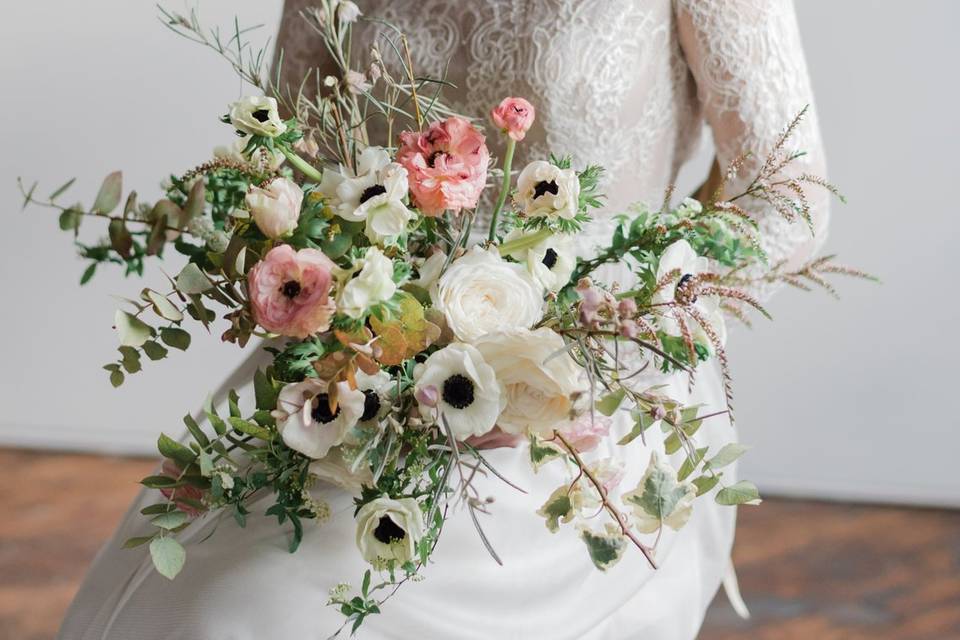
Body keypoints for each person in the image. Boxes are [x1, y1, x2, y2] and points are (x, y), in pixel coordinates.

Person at [58, 1, 828, 638]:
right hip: (367, 363)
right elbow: (284, 160)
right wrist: (340, 297)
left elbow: (792, 198)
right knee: (214, 609)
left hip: (590, 384)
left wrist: (615, 314)